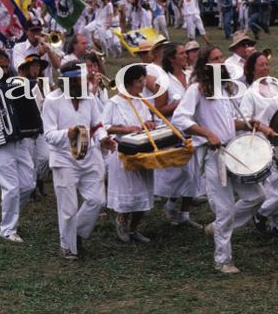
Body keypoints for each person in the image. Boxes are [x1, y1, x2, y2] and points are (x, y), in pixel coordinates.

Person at [172, 44, 266, 274]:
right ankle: (223, 259)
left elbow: (226, 123)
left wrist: (245, 124)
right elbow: (179, 119)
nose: (220, 62)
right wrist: (207, 134)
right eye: (215, 59)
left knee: (257, 196)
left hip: (233, 152)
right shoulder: (195, 90)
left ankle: (217, 227)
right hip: (213, 156)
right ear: (205, 65)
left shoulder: (223, 89)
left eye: (221, 57)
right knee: (225, 209)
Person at [43, 61, 116, 260]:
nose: (84, 82)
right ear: (67, 81)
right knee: (68, 208)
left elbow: (97, 125)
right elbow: (48, 134)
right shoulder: (52, 100)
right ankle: (68, 247)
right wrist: (68, 133)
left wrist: (103, 139)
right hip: (64, 158)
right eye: (79, 79)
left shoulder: (90, 98)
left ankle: (76, 233)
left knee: (97, 200)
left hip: (89, 155)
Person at [241, 51, 278, 238]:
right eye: (261, 65)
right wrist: (263, 128)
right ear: (251, 69)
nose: (266, 68)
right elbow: (244, 120)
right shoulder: (250, 94)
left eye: (267, 64)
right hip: (265, 146)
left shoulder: (274, 85)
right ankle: (261, 213)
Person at [0, 50, 37, 243]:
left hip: (21, 140)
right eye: (0, 66)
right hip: (0, 142)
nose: (4, 70)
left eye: (6, 66)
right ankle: (7, 229)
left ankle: (10, 214)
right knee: (11, 188)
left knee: (28, 185)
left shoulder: (17, 84)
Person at [102, 64, 157, 243]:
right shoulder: (114, 103)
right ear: (131, 82)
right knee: (128, 193)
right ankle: (121, 222)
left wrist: (149, 124)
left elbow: (148, 119)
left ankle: (134, 228)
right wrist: (125, 129)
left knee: (143, 192)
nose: (143, 84)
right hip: (122, 153)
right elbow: (104, 126)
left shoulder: (141, 100)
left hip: (142, 152)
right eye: (140, 81)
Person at [153, 43, 203, 228]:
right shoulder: (163, 81)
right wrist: (182, 103)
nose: (185, 56)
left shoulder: (191, 76)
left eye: (185, 53)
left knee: (193, 174)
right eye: (181, 54)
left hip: (192, 129)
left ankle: (184, 214)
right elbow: (159, 110)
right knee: (176, 173)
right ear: (172, 59)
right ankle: (170, 203)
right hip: (172, 132)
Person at [17, 53, 52, 197]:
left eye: (38, 66)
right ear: (26, 68)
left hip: (43, 125)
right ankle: (31, 188)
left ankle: (40, 180)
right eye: (33, 66)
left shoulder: (45, 83)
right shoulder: (19, 84)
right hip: (27, 126)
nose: (36, 69)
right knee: (30, 159)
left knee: (45, 157)